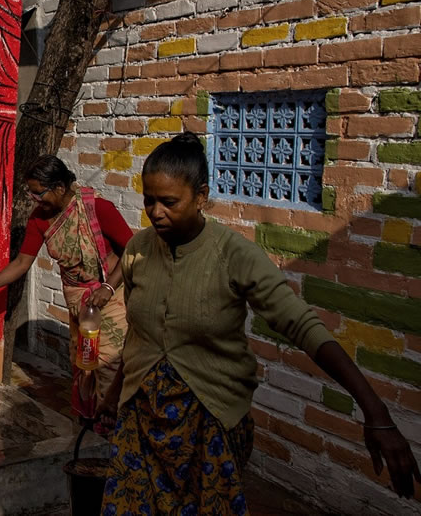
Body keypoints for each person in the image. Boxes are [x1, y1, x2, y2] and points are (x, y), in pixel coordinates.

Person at [100, 132, 420, 513]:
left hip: (210, 420)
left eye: (169, 202)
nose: (155, 212)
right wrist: (115, 392)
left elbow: (302, 325)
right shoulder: (138, 249)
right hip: (141, 418)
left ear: (201, 196)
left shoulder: (234, 255)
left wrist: (375, 411)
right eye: (149, 200)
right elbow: (140, 334)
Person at [0, 155, 132, 420]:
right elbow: (21, 263)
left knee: (109, 367)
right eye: (31, 193)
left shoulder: (97, 209)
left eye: (38, 193)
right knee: (84, 367)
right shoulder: (40, 220)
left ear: (61, 188)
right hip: (80, 305)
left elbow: (132, 251)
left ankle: (113, 438)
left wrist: (108, 288)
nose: (34, 199)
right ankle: (88, 431)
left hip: (110, 301)